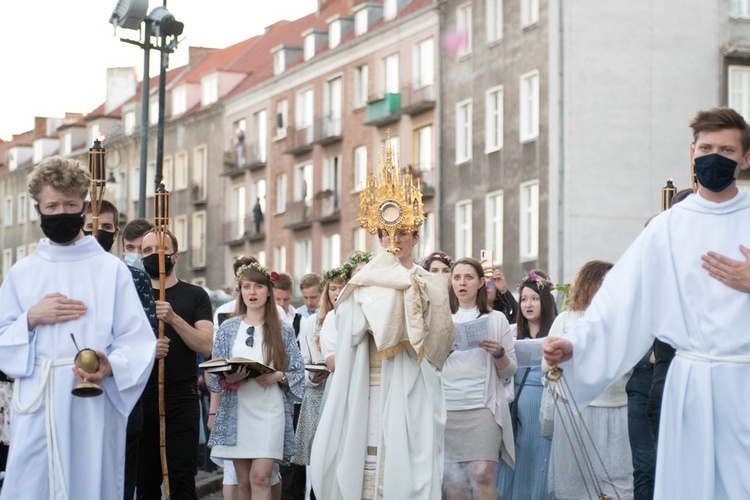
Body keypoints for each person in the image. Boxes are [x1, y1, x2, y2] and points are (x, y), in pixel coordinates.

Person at [542, 107, 750, 499]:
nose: (714, 158)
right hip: (691, 385)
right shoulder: (667, 227)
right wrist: (576, 345)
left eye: (726, 150)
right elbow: (622, 301)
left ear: (746, 158)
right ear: (692, 152)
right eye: (706, 147)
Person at [0, 156, 156, 499]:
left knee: (89, 484)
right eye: (51, 205)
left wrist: (110, 363)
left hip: (91, 400)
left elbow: (139, 341)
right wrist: (31, 317)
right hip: (37, 400)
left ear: (84, 206)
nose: (60, 213)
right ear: (37, 209)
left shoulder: (110, 270)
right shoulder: (22, 273)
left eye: (69, 204)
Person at [311, 228, 455, 499]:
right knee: (366, 451)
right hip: (371, 381)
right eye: (386, 235)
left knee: (411, 454)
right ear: (378, 240)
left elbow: (440, 339)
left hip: (413, 377)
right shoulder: (365, 281)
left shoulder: (430, 283)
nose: (394, 241)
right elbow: (350, 328)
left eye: (401, 233)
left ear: (415, 237)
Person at [208, 260, 304, 500]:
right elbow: (213, 373)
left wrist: (278, 375)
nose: (252, 292)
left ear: (268, 292)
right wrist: (229, 377)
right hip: (237, 409)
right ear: (240, 291)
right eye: (246, 286)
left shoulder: (283, 330)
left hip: (269, 408)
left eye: (258, 287)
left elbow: (298, 372)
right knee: (243, 482)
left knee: (261, 477)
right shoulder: (228, 328)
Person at [84, 200, 159, 500]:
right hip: (73, 384)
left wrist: (115, 361)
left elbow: (143, 337)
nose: (97, 233)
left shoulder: (131, 275)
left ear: (114, 233)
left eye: (105, 228)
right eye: (90, 227)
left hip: (119, 389)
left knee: (119, 479)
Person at [542, 260, 635, 499]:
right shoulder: (566, 318)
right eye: (601, 282)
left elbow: (629, 362)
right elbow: (547, 363)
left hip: (615, 408)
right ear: (587, 284)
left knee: (617, 480)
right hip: (575, 410)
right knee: (575, 481)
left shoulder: (622, 318)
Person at [137, 229, 214, 500]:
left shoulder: (195, 296)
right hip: (142, 397)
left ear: (175, 255)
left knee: (182, 479)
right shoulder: (133, 295)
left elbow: (206, 345)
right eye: (146, 251)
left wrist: (173, 319)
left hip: (182, 397)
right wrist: (148, 351)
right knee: (145, 482)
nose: (153, 256)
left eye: (159, 249)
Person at [442, 258, 517, 500]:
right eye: (457, 277)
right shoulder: (439, 318)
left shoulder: (496, 319)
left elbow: (509, 371)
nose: (462, 283)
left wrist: (498, 353)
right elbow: (423, 366)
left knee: (482, 473)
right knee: (454, 482)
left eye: (468, 277)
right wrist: (440, 351)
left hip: (483, 407)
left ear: (481, 282)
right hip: (447, 407)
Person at [497, 270, 558, 500]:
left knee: (542, 456)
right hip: (515, 401)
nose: (528, 304)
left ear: (544, 301)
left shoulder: (555, 332)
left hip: (544, 399)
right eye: (524, 299)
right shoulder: (512, 332)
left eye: (534, 299)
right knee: (518, 456)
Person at [292, 266, 345, 499]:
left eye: (342, 287)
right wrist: (312, 377)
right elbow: (302, 362)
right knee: (317, 461)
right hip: (317, 394)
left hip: (342, 392)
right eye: (333, 288)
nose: (337, 292)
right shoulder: (312, 321)